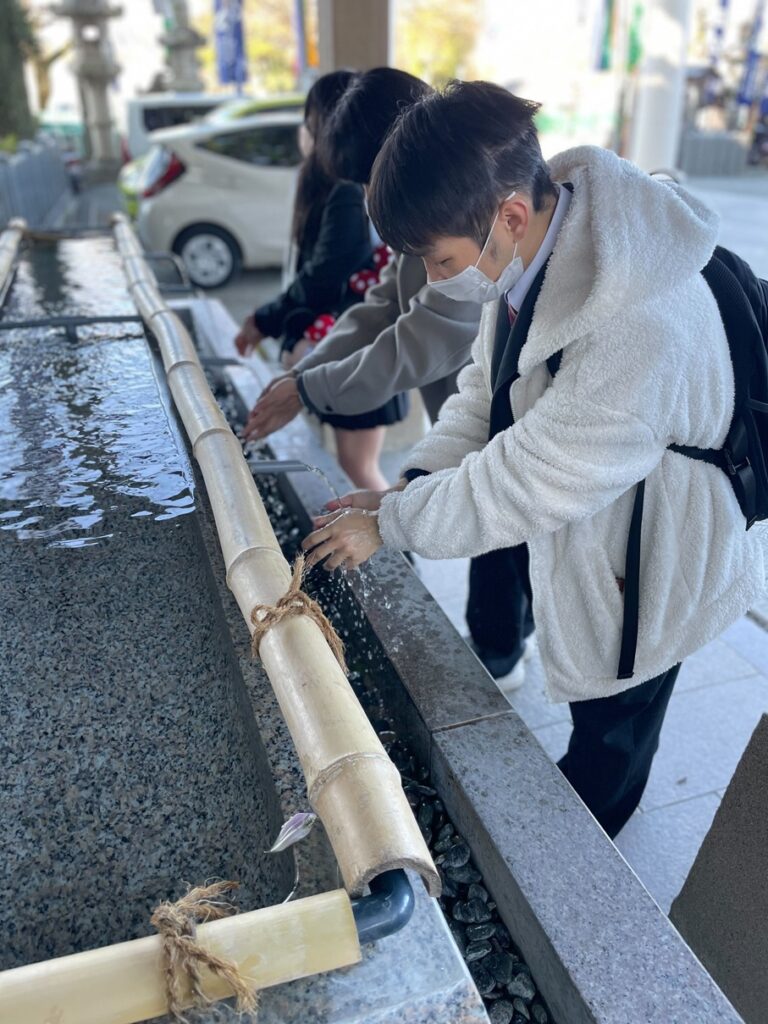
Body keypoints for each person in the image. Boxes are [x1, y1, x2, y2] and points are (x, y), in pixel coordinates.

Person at [301, 81, 767, 837]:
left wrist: (392, 522)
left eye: (440, 259)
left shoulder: (637, 324)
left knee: (614, 724)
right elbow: (486, 398)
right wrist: (410, 484)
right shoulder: (540, 251)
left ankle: (582, 861)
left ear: (511, 216)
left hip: (663, 546)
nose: (435, 279)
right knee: (592, 681)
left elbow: (527, 477)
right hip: (609, 508)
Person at [241, 67, 534, 690]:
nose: (370, 193)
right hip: (474, 416)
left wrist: (309, 389)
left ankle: (502, 653)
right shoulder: (430, 228)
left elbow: (416, 339)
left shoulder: (462, 228)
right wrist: (304, 375)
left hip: (505, 430)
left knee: (501, 535)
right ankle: (508, 637)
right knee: (485, 516)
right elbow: (383, 308)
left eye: (369, 177)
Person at [234, 70, 406, 491]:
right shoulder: (343, 189)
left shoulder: (345, 190)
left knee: (359, 465)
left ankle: (392, 531)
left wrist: (273, 326)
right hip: (347, 345)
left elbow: (327, 276)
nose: (303, 133)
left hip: (355, 350)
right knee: (355, 463)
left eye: (308, 123)